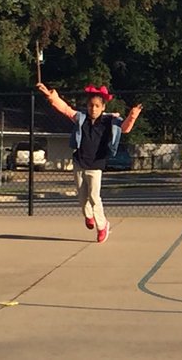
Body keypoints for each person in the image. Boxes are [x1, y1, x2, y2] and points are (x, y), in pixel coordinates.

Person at [37, 83, 142, 243]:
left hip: (96, 164)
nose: (93, 109)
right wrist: (52, 96)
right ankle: (88, 216)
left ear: (103, 107)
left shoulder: (110, 121)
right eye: (91, 105)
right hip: (80, 162)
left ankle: (102, 226)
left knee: (94, 197)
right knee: (82, 197)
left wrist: (132, 116)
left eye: (97, 106)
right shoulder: (81, 119)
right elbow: (66, 109)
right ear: (87, 106)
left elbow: (125, 128)